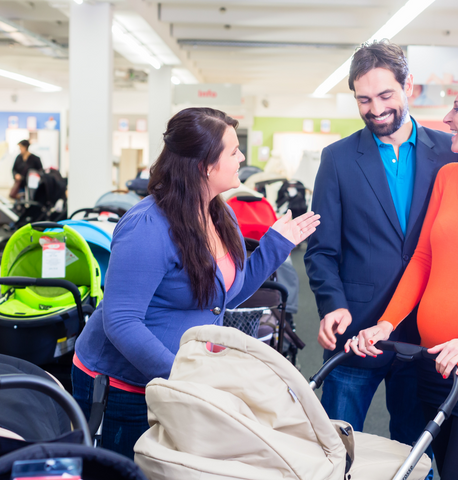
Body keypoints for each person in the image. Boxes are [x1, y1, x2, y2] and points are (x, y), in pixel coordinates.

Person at [72, 107, 320, 459]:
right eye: (234, 151)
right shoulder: (147, 226)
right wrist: (185, 376)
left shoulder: (221, 213)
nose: (243, 157)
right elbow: (121, 322)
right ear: (205, 164)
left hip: (182, 382)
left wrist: (276, 245)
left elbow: (225, 296)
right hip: (123, 387)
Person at [304, 39, 458, 449]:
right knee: (336, 447)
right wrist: (331, 304)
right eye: (363, 100)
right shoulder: (338, 159)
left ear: (408, 86)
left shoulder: (451, 154)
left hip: (422, 336)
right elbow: (322, 249)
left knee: (413, 451)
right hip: (356, 330)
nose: (375, 109)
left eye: (385, 95)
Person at [346, 76, 458, 480]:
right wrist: (386, 323)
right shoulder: (450, 178)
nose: (447, 117)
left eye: (457, 109)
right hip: (433, 364)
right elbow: (422, 260)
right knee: (436, 466)